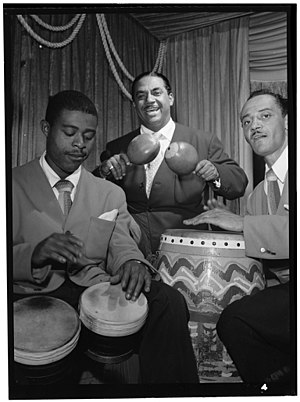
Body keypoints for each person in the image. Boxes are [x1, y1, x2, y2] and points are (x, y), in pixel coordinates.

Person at [12, 90, 199, 384]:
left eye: (88, 136)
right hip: (31, 292)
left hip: (93, 284)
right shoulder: (11, 184)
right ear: (46, 129)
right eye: (70, 133)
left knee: (168, 302)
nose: (80, 144)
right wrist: (33, 254)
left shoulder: (108, 191)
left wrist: (132, 262)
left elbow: (120, 240)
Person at [183, 90, 290, 386]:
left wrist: (242, 223)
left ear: (288, 121)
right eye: (246, 121)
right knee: (234, 320)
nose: (253, 125)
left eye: (264, 116)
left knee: (237, 321)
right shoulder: (256, 195)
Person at [93, 72, 248, 258]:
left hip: (186, 251)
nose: (149, 100)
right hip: (132, 251)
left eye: (156, 93)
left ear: (171, 98)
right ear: (135, 105)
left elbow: (238, 184)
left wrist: (215, 173)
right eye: (141, 96)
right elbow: (92, 193)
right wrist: (103, 171)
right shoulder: (117, 146)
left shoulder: (203, 141)